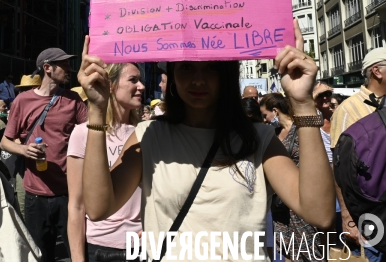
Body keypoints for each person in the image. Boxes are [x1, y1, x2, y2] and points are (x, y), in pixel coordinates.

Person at [78, 20, 334, 262]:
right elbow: (99, 208)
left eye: (212, 67)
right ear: (173, 74)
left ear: (227, 73)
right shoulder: (149, 135)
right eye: (187, 67)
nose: (198, 79)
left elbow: (319, 214)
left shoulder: (259, 138)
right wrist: (97, 111)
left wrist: (303, 104)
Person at [0, 47, 88, 262]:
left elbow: (92, 135)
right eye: (63, 65)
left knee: (79, 254)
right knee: (40, 255)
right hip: (35, 195)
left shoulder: (74, 99)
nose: (69, 69)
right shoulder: (22, 101)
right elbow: (4, 142)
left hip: (70, 193)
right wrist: (24, 149)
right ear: (47, 68)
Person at [67, 63, 143, 262]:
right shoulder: (84, 133)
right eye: (133, 80)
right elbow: (76, 205)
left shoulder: (147, 132)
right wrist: (77, 259)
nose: (141, 86)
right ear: (110, 85)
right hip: (100, 248)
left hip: (144, 246)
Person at [331, 48, 386, 262]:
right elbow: (339, 167)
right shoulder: (348, 109)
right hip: (368, 214)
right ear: (377, 71)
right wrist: (347, 217)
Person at [260, 93, 325, 261]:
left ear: (275, 111)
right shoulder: (272, 133)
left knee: (311, 250)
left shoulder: (300, 129)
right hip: (279, 205)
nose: (264, 120)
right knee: (287, 250)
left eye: (265, 115)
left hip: (301, 200)